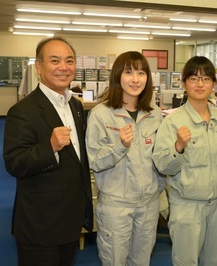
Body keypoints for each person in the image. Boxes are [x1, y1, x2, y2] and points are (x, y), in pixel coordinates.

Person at [3, 36, 93, 266]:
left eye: (69, 61)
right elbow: (14, 163)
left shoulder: (75, 105)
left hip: (70, 219)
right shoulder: (23, 110)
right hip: (40, 225)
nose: (64, 67)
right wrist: (49, 147)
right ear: (39, 67)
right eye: (55, 60)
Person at [152, 56, 217, 265]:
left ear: (213, 84)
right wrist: (178, 146)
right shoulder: (173, 120)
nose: (200, 84)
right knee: (186, 261)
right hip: (187, 206)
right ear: (183, 83)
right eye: (193, 78)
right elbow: (162, 165)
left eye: (206, 79)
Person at [85, 51, 163, 266]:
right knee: (114, 261)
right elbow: (95, 161)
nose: (136, 79)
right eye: (128, 72)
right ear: (118, 76)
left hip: (148, 204)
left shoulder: (155, 113)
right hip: (116, 205)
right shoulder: (101, 113)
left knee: (141, 261)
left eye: (141, 73)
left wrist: (158, 186)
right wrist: (120, 146)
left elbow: (160, 158)